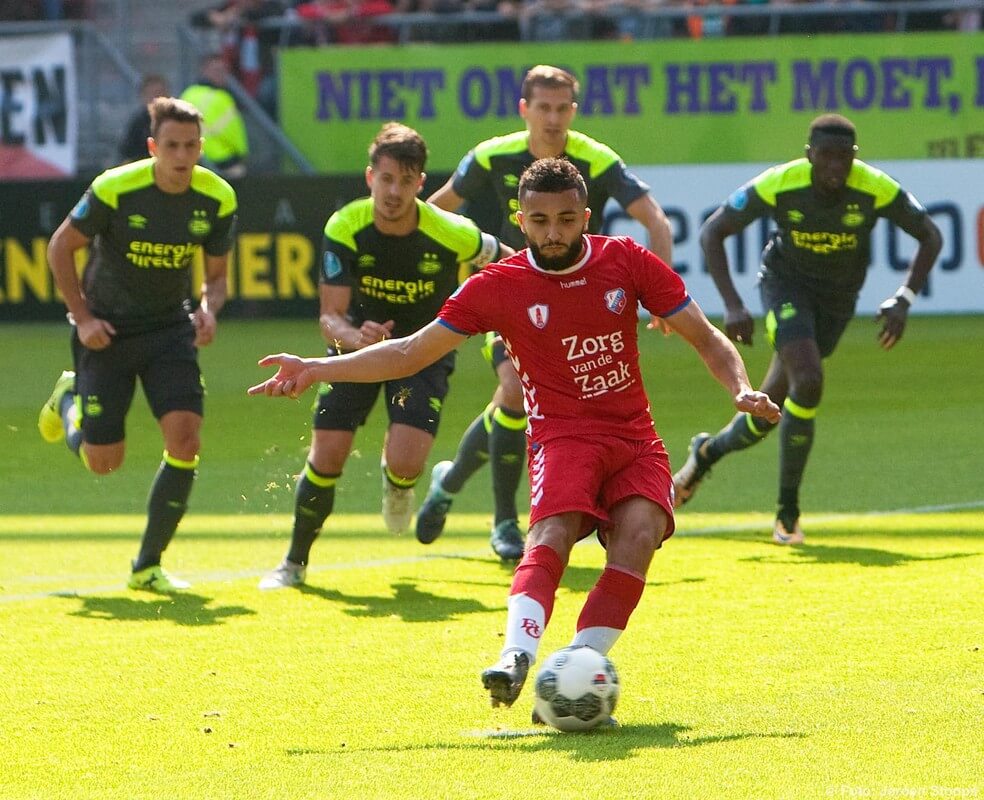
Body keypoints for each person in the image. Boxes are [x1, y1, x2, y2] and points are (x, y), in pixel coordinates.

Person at [248, 157, 780, 709]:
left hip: (633, 436)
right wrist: (316, 368)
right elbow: (409, 353)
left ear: (587, 217)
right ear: (519, 220)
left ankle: (580, 666)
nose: (555, 233)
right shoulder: (497, 286)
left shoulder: (626, 261)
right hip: (562, 436)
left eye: (568, 220)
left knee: (641, 534)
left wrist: (739, 388)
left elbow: (707, 337)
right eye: (542, 220)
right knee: (551, 535)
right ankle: (516, 656)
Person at [421, 64, 674, 561]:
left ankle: (449, 480)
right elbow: (433, 211)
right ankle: (504, 523)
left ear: (573, 111)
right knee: (514, 393)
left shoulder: (595, 160)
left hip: (577, 310)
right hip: (509, 299)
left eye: (562, 108)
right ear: (524, 110)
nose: (553, 119)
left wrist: (660, 294)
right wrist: (466, 255)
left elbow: (655, 220)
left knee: (510, 404)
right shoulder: (492, 156)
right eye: (543, 108)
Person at [256, 122, 509, 591]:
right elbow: (329, 316)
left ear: (420, 184)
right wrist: (354, 336)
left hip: (426, 351)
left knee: (407, 462)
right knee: (327, 454)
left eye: (406, 181)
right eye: (386, 179)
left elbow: (506, 260)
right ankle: (293, 562)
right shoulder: (346, 226)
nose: (394, 191)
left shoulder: (452, 231)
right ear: (370, 177)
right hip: (356, 351)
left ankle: (400, 483)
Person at [673, 114, 942, 545]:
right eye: (825, 157)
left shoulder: (874, 187)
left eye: (844, 158)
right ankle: (787, 514)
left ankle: (706, 453)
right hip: (785, 288)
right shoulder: (781, 182)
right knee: (810, 379)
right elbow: (712, 233)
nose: (835, 167)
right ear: (809, 155)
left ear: (854, 157)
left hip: (836, 304)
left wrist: (904, 298)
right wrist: (734, 305)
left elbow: (930, 235)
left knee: (766, 412)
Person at [38, 97, 237, 593]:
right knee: (104, 462)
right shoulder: (114, 188)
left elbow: (216, 278)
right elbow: (60, 246)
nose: (182, 155)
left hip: (171, 330)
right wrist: (81, 317)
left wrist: (210, 310)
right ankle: (69, 400)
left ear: (200, 147)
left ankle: (148, 565)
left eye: (191, 146)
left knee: (186, 440)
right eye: (171, 145)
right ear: (153, 147)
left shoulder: (217, 198)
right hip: (106, 331)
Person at [180, 53, 250, 179]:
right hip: (224, 161)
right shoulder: (224, 98)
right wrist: (241, 155)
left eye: (224, 70)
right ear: (204, 70)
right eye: (217, 70)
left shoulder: (187, 94)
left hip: (193, 160)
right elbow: (235, 134)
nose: (221, 74)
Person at [118, 74, 171, 163]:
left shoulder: (178, 120)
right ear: (143, 96)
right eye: (152, 94)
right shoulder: (138, 123)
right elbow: (127, 155)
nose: (157, 98)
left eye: (160, 92)